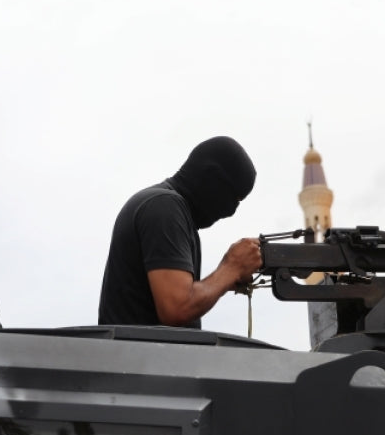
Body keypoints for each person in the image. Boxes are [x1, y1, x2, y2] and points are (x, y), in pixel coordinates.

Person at [98, 136, 262, 328]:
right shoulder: (165, 208)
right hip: (142, 357)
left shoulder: (169, 209)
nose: (230, 211)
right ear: (211, 179)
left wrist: (223, 282)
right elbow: (177, 308)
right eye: (233, 199)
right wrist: (231, 268)